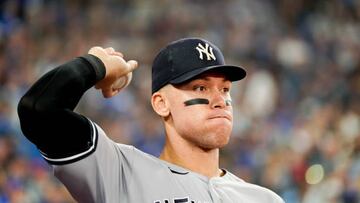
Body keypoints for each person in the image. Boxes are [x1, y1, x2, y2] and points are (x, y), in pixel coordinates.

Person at [18, 38, 284, 203]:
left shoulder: (265, 199)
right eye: (200, 88)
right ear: (161, 103)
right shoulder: (120, 174)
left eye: (225, 89)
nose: (219, 100)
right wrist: (96, 65)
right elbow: (40, 110)